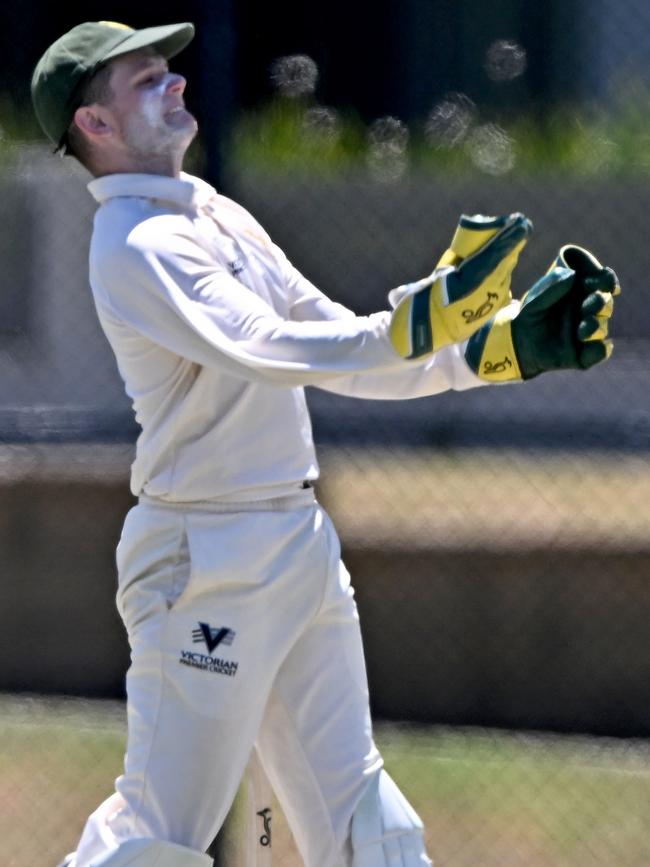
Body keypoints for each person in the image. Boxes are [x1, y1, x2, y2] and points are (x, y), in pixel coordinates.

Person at [31, 20, 619, 867]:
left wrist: (495, 349)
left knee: (364, 823)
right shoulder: (136, 243)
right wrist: (423, 317)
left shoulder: (210, 212)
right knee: (155, 838)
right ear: (95, 125)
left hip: (297, 546)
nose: (178, 84)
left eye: (171, 70)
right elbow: (272, 347)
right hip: (207, 560)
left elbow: (342, 344)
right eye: (147, 79)